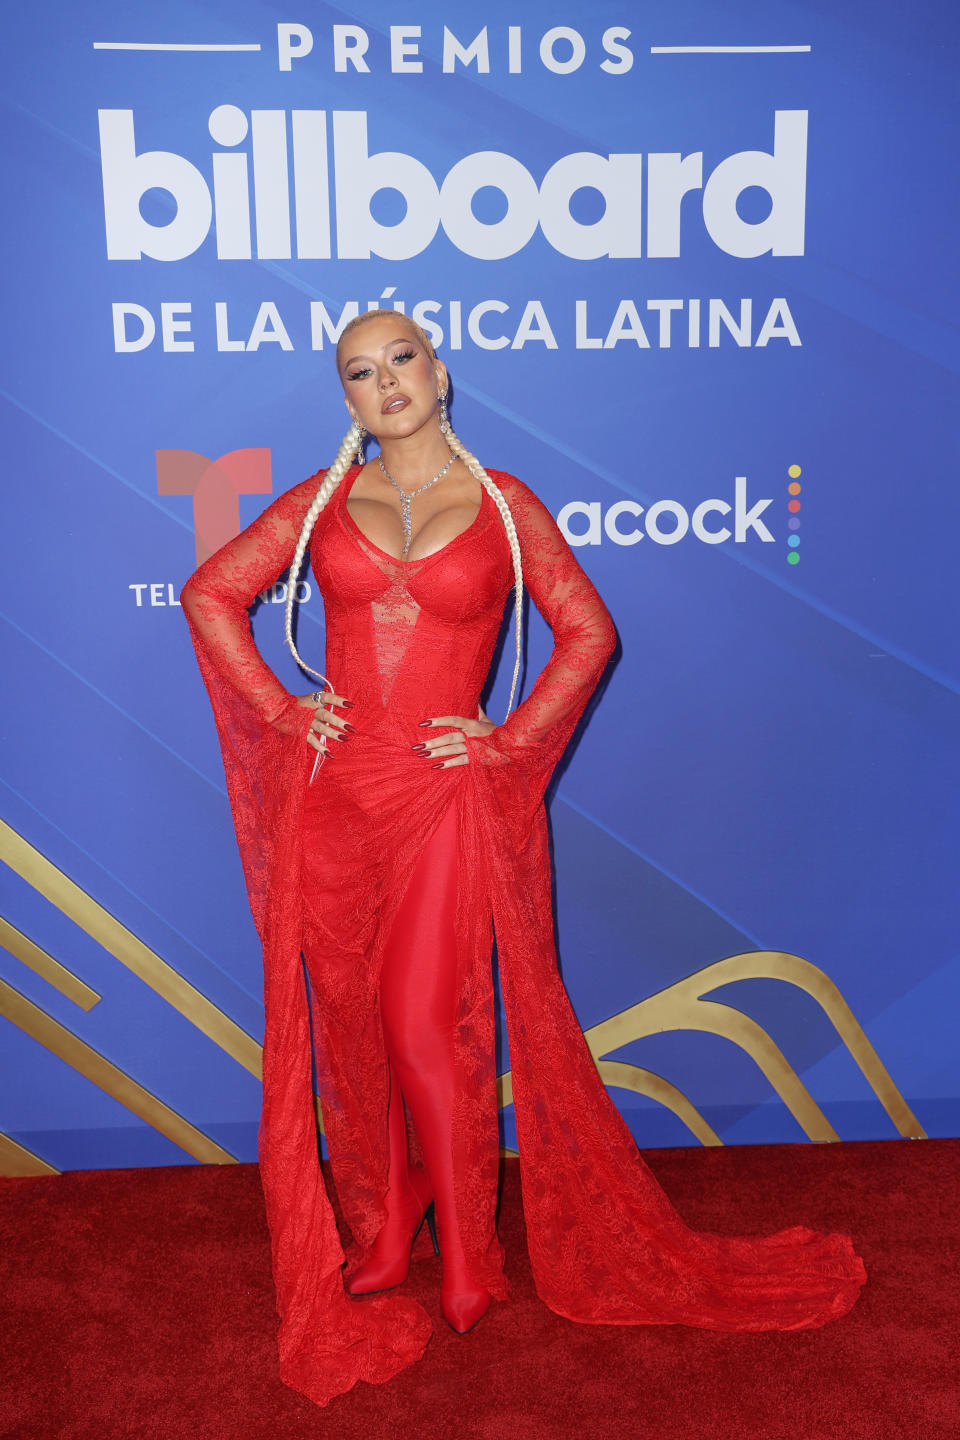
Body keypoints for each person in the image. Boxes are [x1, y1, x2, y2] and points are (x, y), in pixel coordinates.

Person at [180, 309, 867, 1409]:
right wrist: (277, 705)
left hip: (449, 802)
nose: (386, 381)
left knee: (424, 1027)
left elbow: (588, 632)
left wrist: (507, 739)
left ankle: (467, 1255)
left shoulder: (505, 506)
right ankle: (388, 1223)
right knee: (348, 1019)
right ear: (345, 398)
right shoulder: (321, 506)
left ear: (439, 371)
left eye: (401, 358)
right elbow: (209, 594)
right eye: (361, 371)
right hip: (339, 803)